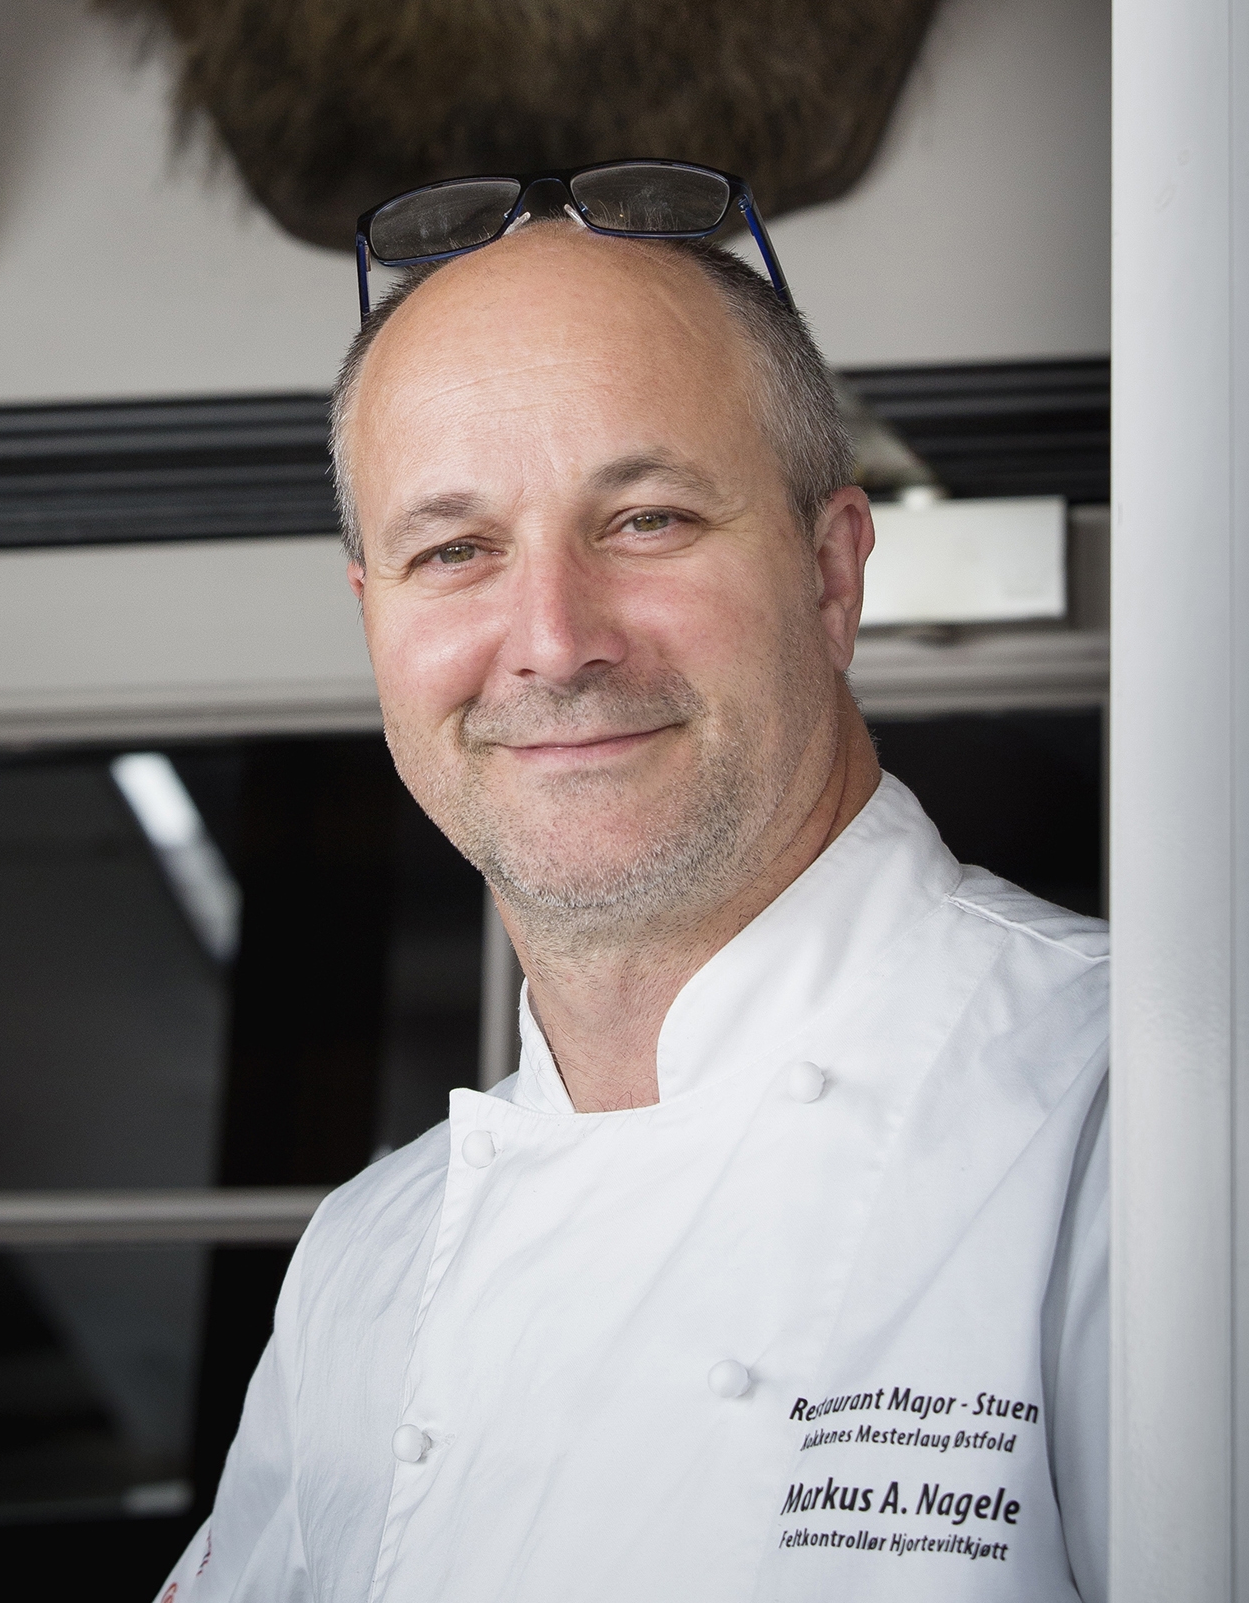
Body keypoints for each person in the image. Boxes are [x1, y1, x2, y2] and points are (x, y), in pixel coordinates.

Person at [155, 193, 1106, 1602]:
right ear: (374, 617)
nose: (551, 640)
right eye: (455, 551)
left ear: (833, 574)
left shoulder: (1143, 1115)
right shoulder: (365, 1261)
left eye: (648, 518)